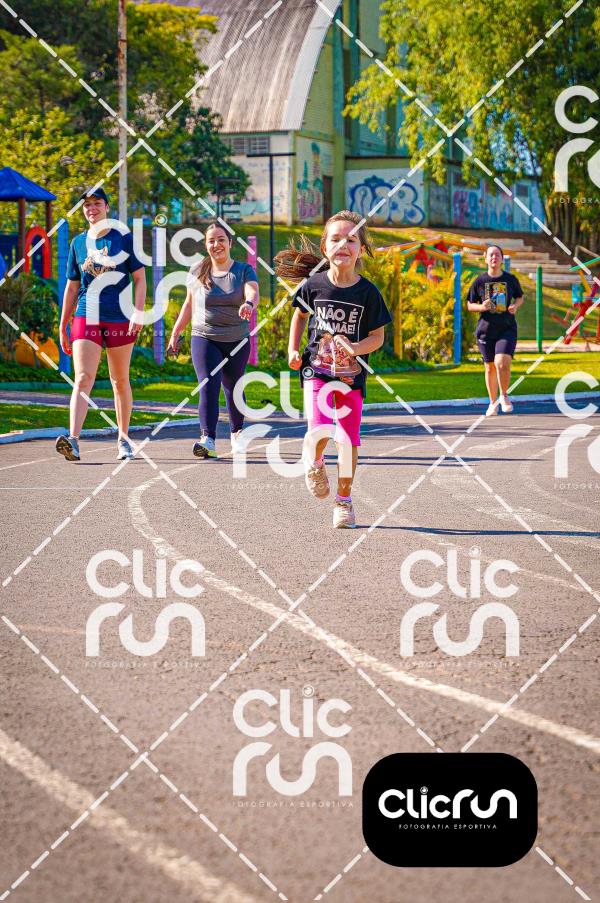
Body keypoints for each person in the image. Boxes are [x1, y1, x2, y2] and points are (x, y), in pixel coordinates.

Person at [275, 210, 392, 529]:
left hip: (351, 377)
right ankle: (314, 460)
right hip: (317, 371)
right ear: (325, 246)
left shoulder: (368, 293)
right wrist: (293, 348)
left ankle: (344, 502)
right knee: (321, 429)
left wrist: (356, 348)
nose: (343, 244)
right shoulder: (314, 285)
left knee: (348, 440)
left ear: (361, 249)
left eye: (351, 240)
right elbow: (300, 315)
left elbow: (377, 337)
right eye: (336, 239)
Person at [56, 187, 146, 461]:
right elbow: (72, 287)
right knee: (83, 377)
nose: (91, 209)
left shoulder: (124, 238)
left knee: (119, 380)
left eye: (97, 203)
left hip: (120, 316)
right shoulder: (78, 243)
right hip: (87, 314)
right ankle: (73, 440)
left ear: (107, 207)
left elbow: (140, 279)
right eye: (87, 205)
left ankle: (124, 440)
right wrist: (63, 324)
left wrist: (138, 312)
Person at [167, 221, 259, 458]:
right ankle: (207, 439)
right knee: (208, 384)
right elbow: (189, 304)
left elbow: (252, 291)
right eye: (211, 241)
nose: (216, 244)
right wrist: (176, 332)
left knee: (233, 386)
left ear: (230, 243)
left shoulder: (243, 270)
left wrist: (249, 304)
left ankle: (237, 433)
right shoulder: (197, 270)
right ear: (206, 245)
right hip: (204, 336)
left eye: (221, 239)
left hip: (237, 339)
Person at [467, 245, 524, 416]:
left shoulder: (510, 279)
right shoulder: (479, 281)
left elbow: (520, 297)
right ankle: (492, 403)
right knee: (490, 367)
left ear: (502, 259)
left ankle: (504, 395)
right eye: (491, 255)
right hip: (486, 330)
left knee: (502, 362)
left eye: (497, 255)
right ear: (485, 258)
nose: (494, 258)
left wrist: (515, 306)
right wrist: (481, 307)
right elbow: (470, 304)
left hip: (506, 328)